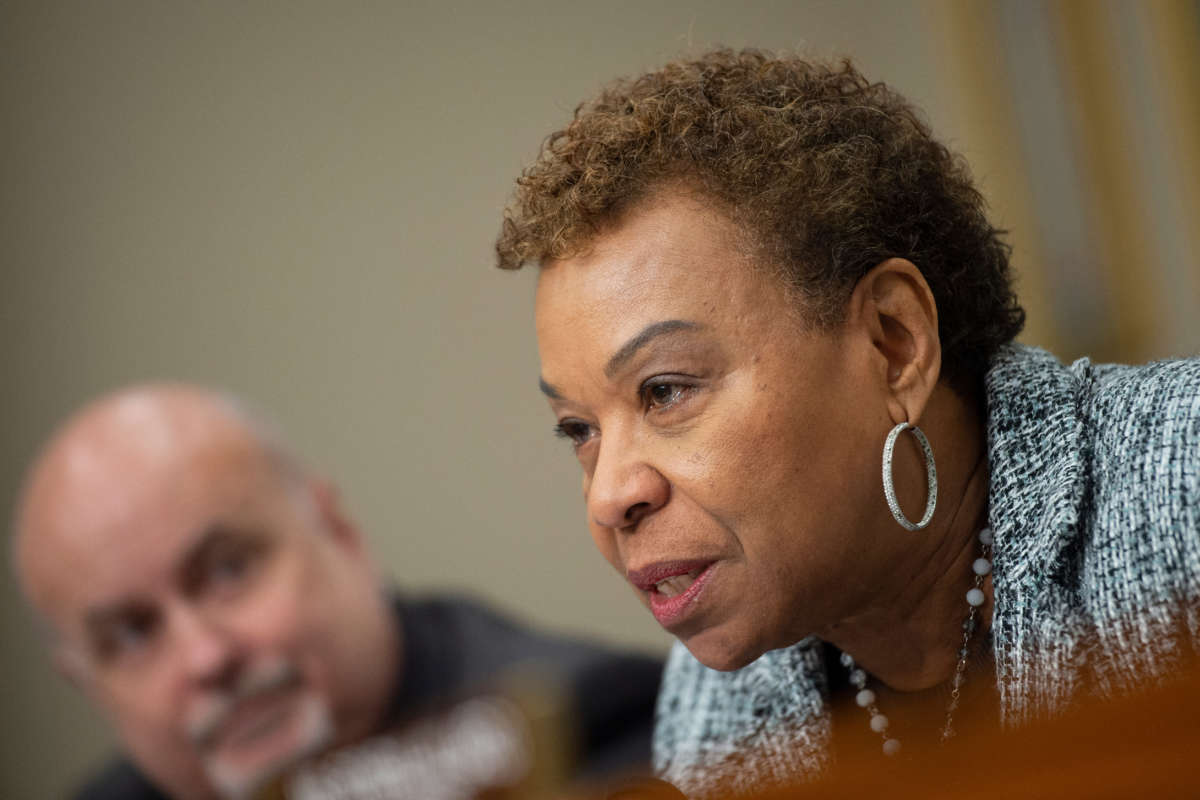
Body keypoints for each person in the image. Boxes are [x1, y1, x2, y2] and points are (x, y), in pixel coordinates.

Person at [494, 48, 1200, 796]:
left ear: (893, 345)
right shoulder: (714, 720)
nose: (609, 497)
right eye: (579, 430)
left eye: (665, 390)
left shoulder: (1180, 478)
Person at [12, 384, 662, 800]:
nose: (205, 658)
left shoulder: (603, 728)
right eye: (131, 635)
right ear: (87, 684)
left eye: (228, 572)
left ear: (337, 530)